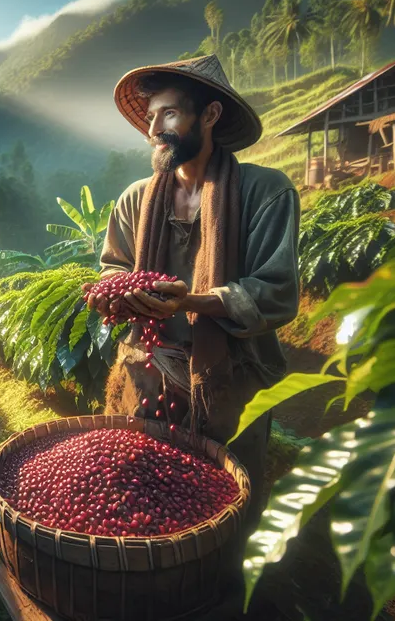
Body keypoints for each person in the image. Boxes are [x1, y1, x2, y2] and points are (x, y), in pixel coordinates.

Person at [88, 54, 300, 617]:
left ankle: (229, 596)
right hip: (150, 368)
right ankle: (157, 591)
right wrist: (121, 291)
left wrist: (195, 301)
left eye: (170, 115)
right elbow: (112, 267)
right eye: (151, 118)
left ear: (209, 115)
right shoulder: (136, 199)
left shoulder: (265, 192)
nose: (155, 129)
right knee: (152, 492)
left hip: (229, 378)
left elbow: (276, 292)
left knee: (231, 499)